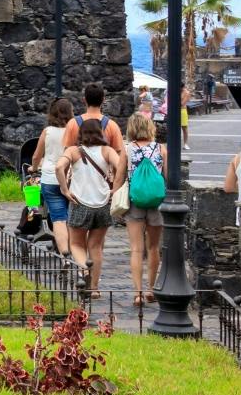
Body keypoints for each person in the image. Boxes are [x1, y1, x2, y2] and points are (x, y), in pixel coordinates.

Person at [57, 116, 121, 297]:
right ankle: (94, 288)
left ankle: (84, 270)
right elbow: (121, 167)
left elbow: (58, 167)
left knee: (76, 243)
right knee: (96, 246)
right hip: (102, 204)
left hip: (79, 202)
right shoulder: (107, 151)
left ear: (81, 133)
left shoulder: (73, 151)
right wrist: (114, 189)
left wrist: (64, 189)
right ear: (100, 132)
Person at [120, 113, 165, 306]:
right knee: (153, 247)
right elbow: (169, 177)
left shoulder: (127, 150)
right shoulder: (161, 149)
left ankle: (137, 293)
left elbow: (119, 176)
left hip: (135, 201)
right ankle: (151, 289)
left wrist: (113, 195)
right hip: (156, 202)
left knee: (136, 249)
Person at [33, 98, 75, 256]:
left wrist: (34, 168)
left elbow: (37, 156)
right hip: (71, 179)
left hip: (50, 178)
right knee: (72, 219)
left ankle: (64, 256)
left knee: (58, 219)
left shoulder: (47, 131)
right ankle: (75, 250)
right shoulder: (74, 131)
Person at [61, 82, 124, 152]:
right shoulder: (112, 126)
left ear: (84, 100)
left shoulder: (72, 124)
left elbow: (67, 151)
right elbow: (118, 153)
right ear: (103, 100)